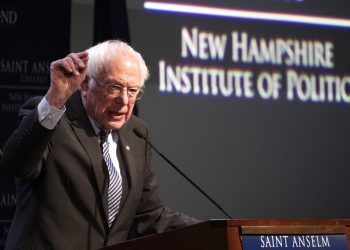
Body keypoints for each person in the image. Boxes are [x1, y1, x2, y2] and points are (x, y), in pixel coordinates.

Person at [0, 40, 199, 250]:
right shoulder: (55, 119)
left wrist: (217, 231)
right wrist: (54, 99)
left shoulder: (136, 133)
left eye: (133, 90)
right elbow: (16, 164)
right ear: (85, 84)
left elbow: (150, 215)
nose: (124, 100)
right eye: (114, 87)